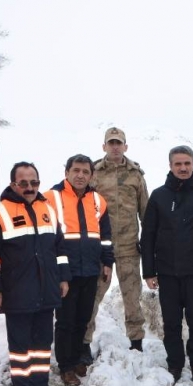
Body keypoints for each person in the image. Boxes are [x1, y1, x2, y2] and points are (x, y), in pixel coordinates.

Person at [0, 162, 70, 386]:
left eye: (34, 182)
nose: (29, 187)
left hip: (47, 288)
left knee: (43, 342)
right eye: (23, 183)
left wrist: (63, 277)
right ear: (13, 184)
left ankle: (40, 385)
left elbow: (59, 247)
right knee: (21, 346)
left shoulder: (48, 209)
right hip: (17, 291)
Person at [141, 145, 193, 386]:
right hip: (167, 272)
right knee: (172, 322)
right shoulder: (159, 196)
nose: (183, 168)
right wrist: (149, 271)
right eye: (178, 164)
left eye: (187, 163)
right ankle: (175, 364)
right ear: (170, 166)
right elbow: (148, 235)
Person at [44, 154, 114, 386]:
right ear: (66, 173)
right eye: (76, 170)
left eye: (85, 171)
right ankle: (65, 366)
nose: (80, 175)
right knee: (65, 320)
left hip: (90, 270)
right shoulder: (50, 198)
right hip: (65, 271)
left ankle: (75, 360)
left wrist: (107, 262)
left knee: (83, 318)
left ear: (91, 175)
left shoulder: (97, 200)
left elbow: (105, 236)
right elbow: (47, 237)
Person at [85, 127, 149, 354]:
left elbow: (145, 213)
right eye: (110, 143)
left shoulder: (135, 175)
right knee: (92, 297)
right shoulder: (93, 173)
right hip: (101, 248)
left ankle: (136, 342)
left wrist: (148, 243)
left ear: (125, 146)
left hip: (129, 246)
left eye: (118, 143)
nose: (114, 146)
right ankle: (84, 343)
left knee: (132, 297)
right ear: (104, 146)